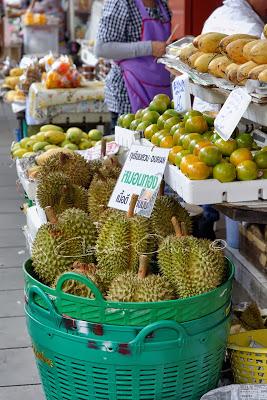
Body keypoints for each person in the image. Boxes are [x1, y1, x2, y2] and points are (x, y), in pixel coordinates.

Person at [95, 0, 172, 130]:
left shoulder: (162, 5)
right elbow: (102, 48)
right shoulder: (121, 3)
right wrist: (150, 47)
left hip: (160, 92)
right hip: (129, 94)